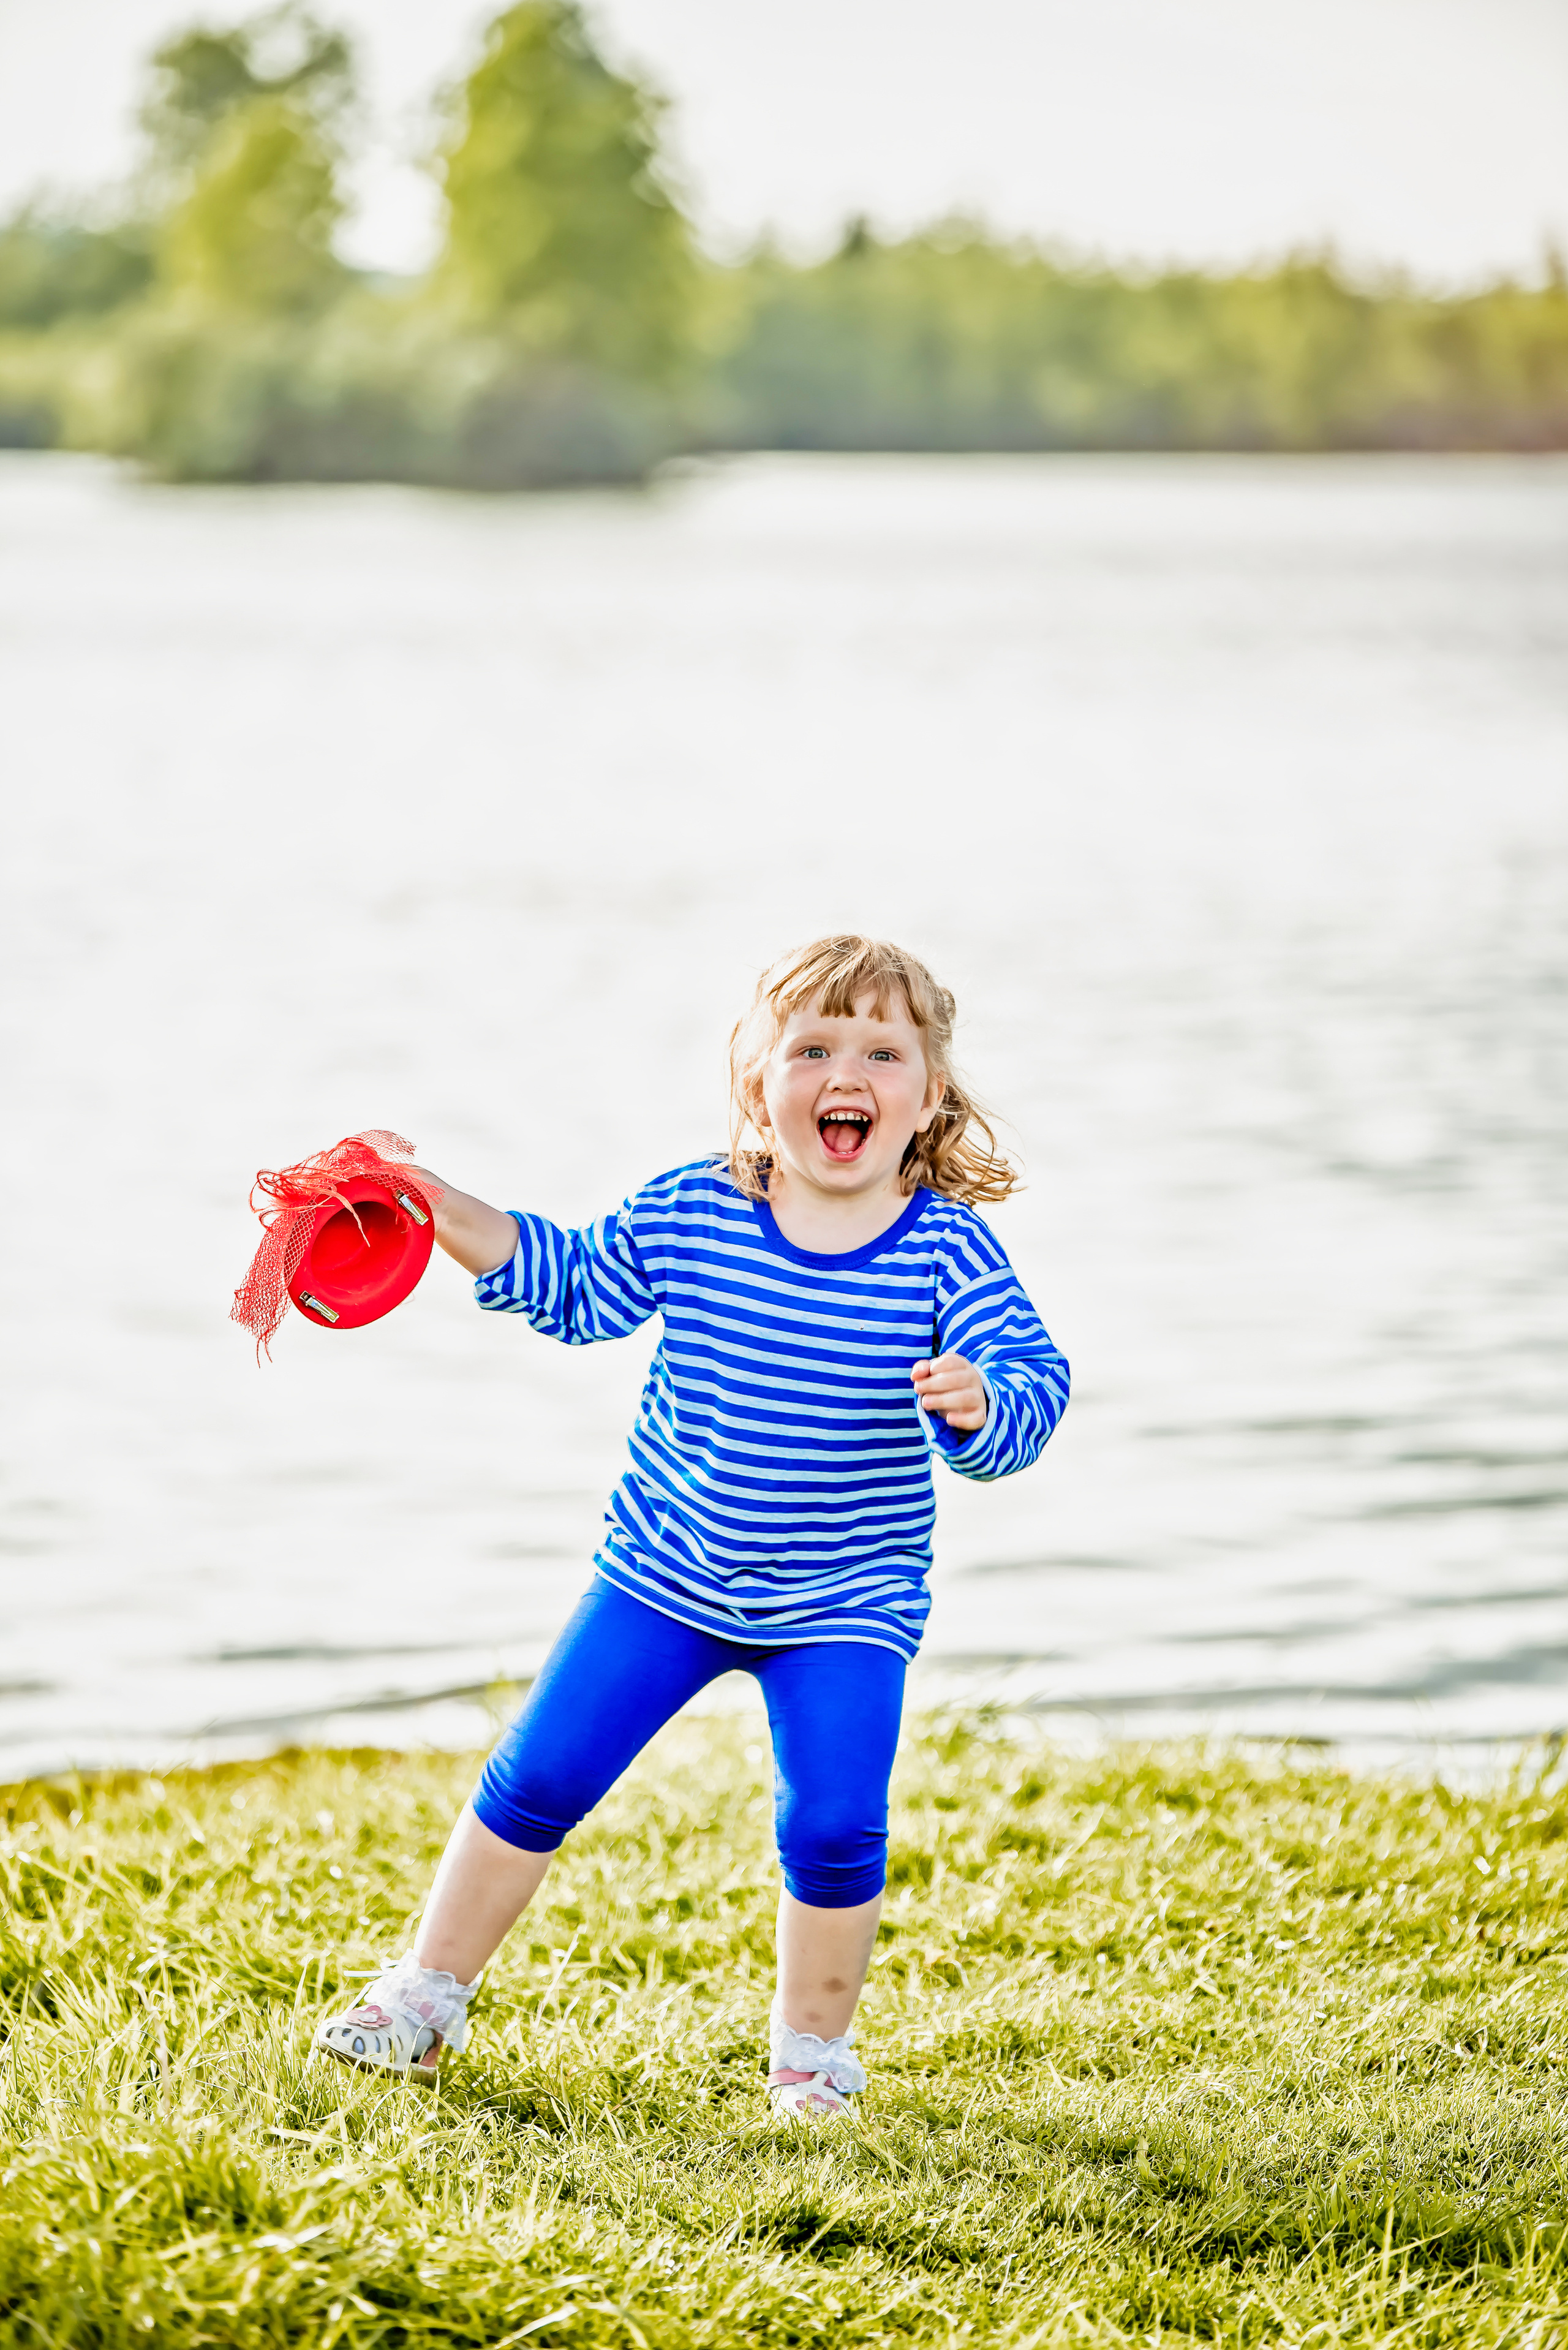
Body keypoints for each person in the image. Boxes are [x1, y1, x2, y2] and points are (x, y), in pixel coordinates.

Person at [315, 934, 1069, 2117]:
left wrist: (984, 1404)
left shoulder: (947, 1251)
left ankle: (810, 2061)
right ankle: (421, 2000)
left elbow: (1035, 1390)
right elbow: (572, 1285)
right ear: (759, 1086)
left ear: (927, 1098)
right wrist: (437, 1203)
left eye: (882, 1050)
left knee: (834, 1823)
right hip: (662, 1576)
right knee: (538, 1777)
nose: (846, 1072)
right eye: (812, 1046)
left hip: (845, 1605)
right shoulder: (699, 1208)